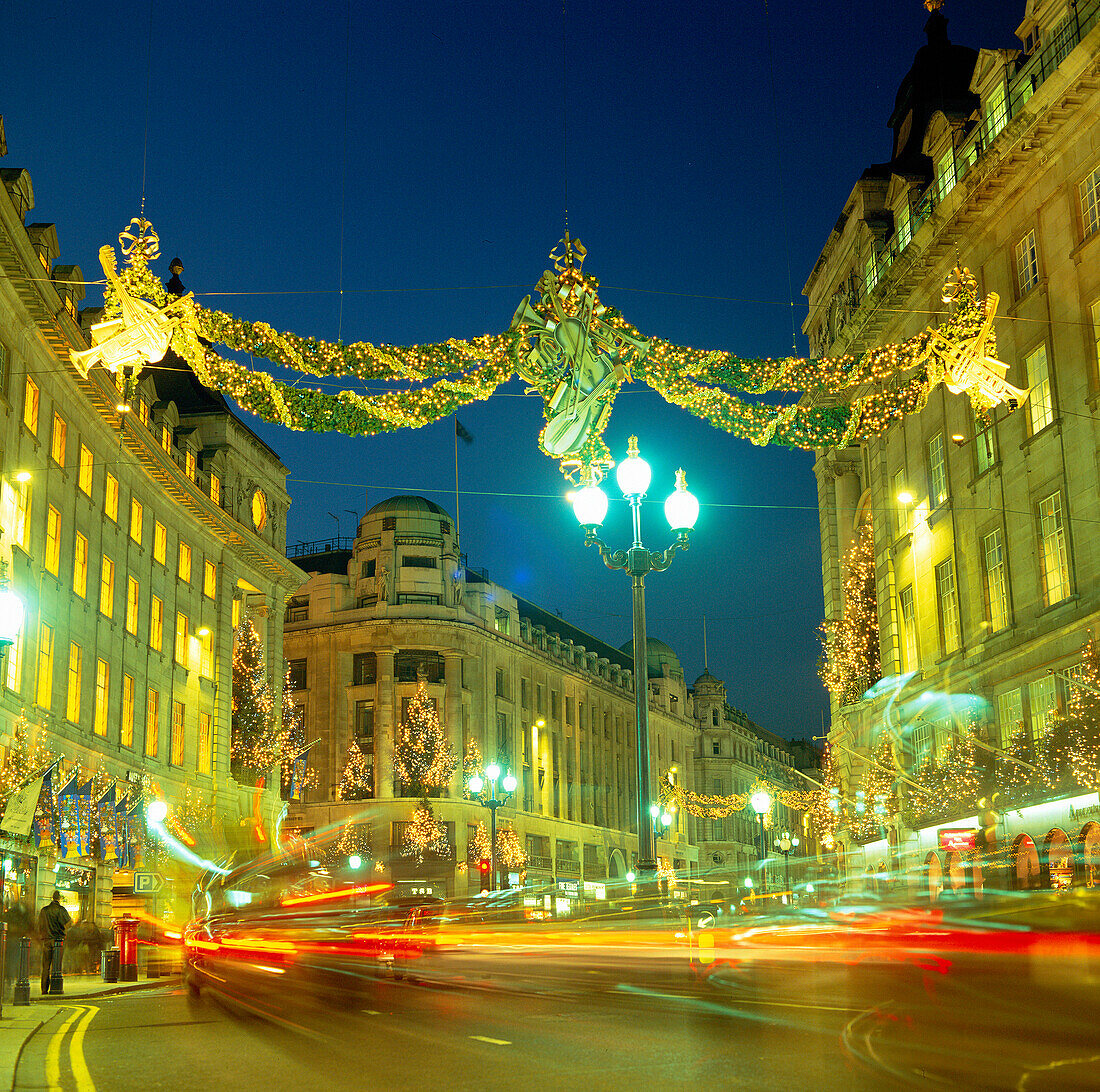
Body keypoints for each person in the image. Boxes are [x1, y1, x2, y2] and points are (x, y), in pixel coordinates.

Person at [38, 891, 71, 994]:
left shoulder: (44, 910)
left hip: (47, 940)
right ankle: (55, 988)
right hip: (58, 941)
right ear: (59, 898)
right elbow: (69, 923)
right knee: (56, 965)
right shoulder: (61, 910)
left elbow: (39, 925)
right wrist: (64, 931)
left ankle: (44, 989)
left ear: (52, 897)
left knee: (46, 966)